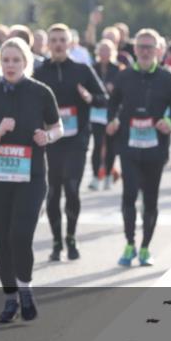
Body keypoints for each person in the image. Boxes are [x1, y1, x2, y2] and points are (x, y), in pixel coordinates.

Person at [0, 38, 62, 323]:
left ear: (26, 62)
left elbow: (58, 126)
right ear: (0, 63)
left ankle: (25, 287)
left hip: (32, 177)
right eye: (6, 60)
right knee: (1, 239)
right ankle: (10, 298)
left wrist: (47, 136)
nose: (10, 65)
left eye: (16, 60)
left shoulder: (41, 92)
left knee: (20, 235)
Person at [106, 28, 171, 267]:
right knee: (129, 195)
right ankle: (129, 244)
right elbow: (112, 104)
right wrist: (112, 120)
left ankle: (146, 247)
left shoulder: (168, 79)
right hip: (128, 146)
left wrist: (170, 122)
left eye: (150, 47)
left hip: (155, 149)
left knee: (150, 200)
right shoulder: (124, 76)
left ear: (159, 50)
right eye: (141, 47)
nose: (146, 51)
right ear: (135, 49)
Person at [34, 24, 109, 261]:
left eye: (62, 40)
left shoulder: (82, 69)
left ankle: (72, 237)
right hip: (51, 139)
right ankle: (57, 242)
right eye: (53, 40)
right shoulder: (40, 71)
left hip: (77, 138)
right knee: (53, 190)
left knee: (72, 187)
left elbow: (103, 98)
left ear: (70, 44)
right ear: (48, 44)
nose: (57, 44)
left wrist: (88, 97)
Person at [89, 39, 123, 191]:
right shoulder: (93, 68)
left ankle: (109, 175)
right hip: (96, 112)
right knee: (97, 145)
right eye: (102, 50)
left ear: (112, 52)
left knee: (110, 146)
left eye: (107, 51)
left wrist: (113, 88)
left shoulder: (117, 69)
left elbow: (122, 91)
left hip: (111, 113)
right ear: (98, 52)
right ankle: (96, 176)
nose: (104, 54)